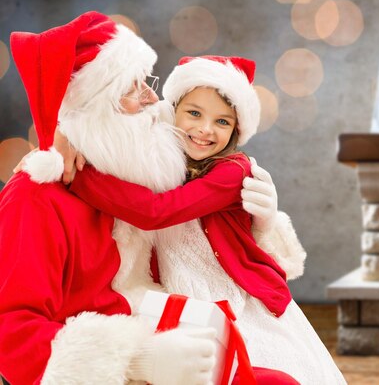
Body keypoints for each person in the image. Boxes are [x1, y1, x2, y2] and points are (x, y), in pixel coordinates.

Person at [0, 11, 296, 384]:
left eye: (147, 81)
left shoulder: (128, 179)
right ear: (95, 105)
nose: (152, 98)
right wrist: (136, 361)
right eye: (131, 87)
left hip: (163, 330)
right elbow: (10, 335)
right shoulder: (35, 196)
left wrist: (265, 225)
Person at [68, 55, 347, 384]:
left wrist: (79, 176)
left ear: (236, 131)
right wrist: (77, 144)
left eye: (222, 122)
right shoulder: (163, 162)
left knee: (257, 368)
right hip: (182, 298)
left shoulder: (233, 171)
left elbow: (157, 212)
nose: (205, 130)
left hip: (236, 299)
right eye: (194, 113)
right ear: (173, 111)